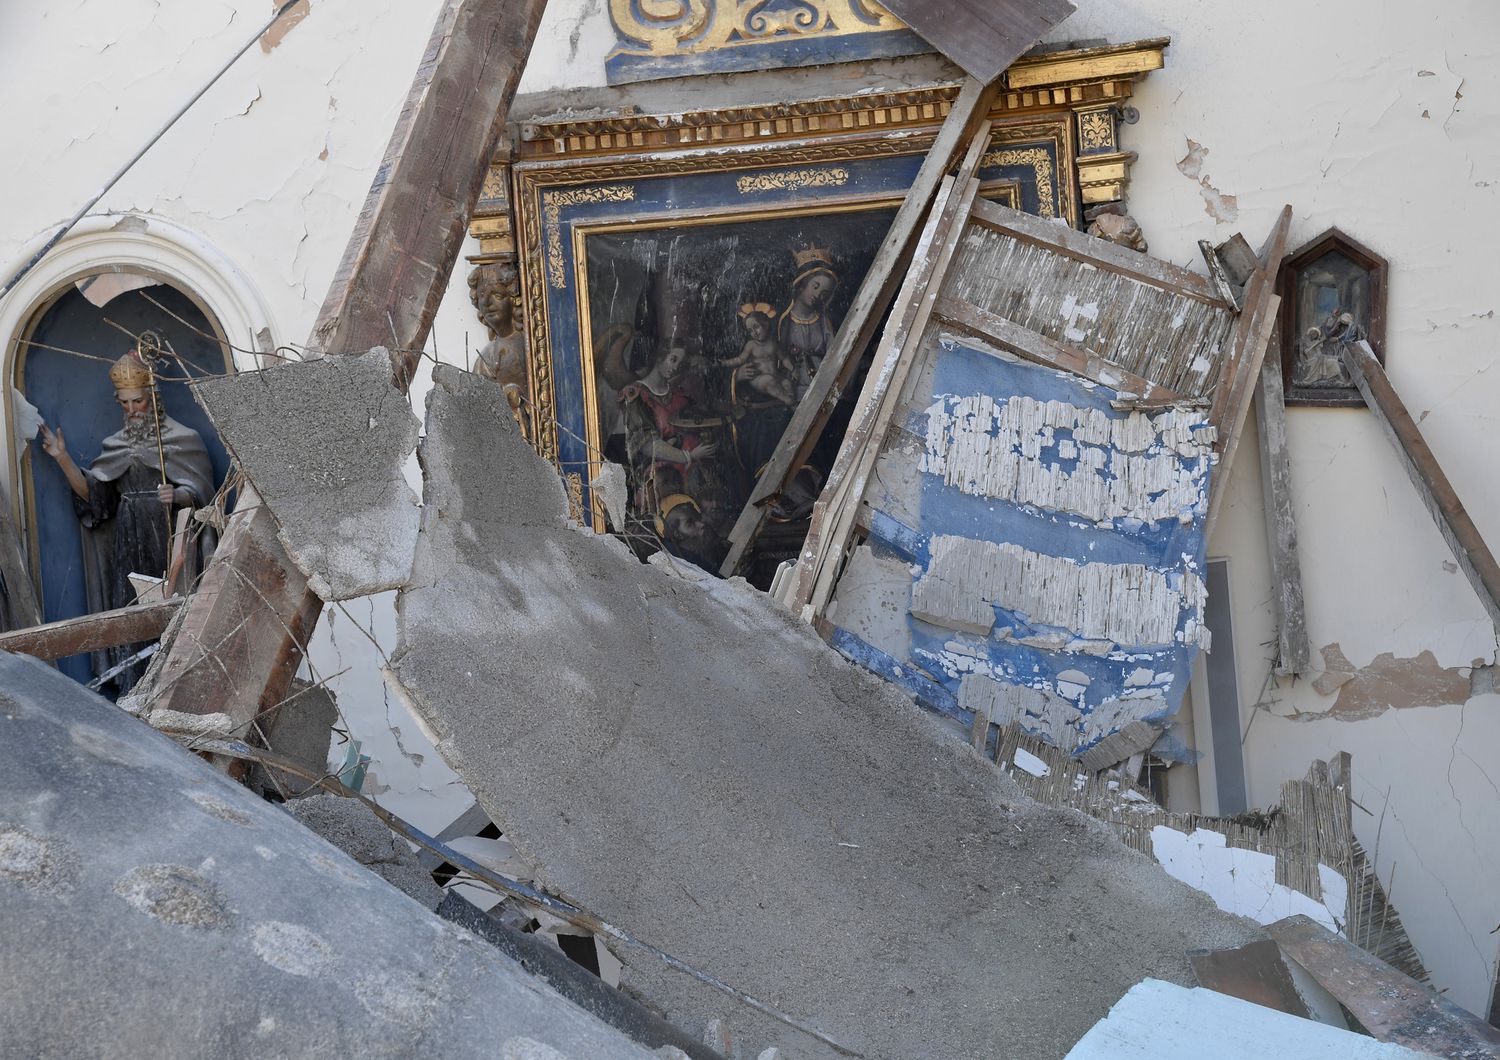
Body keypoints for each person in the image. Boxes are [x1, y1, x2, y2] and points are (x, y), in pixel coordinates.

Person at [38, 348, 216, 692]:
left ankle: (173, 686)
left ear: (152, 397)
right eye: (124, 403)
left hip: (167, 539)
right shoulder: (115, 445)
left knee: (171, 611)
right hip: (128, 543)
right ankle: (135, 689)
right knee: (131, 616)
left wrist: (178, 495)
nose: (132, 411)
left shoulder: (181, 440)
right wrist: (62, 459)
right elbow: (97, 501)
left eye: (138, 402)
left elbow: (203, 495)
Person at [777, 245, 840, 393]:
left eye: (824, 293)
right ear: (802, 284)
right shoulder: (784, 321)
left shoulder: (823, 321)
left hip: (820, 382)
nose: (818, 295)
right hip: (792, 381)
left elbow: (833, 354)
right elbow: (776, 355)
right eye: (815, 286)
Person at [723, 303, 797, 406]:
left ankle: (791, 401)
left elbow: (784, 359)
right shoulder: (751, 345)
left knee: (786, 382)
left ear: (766, 324)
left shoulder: (773, 343)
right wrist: (725, 363)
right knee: (770, 381)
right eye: (750, 331)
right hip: (758, 380)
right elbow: (740, 359)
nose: (754, 332)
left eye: (756, 327)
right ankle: (785, 399)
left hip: (774, 376)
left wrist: (792, 369)